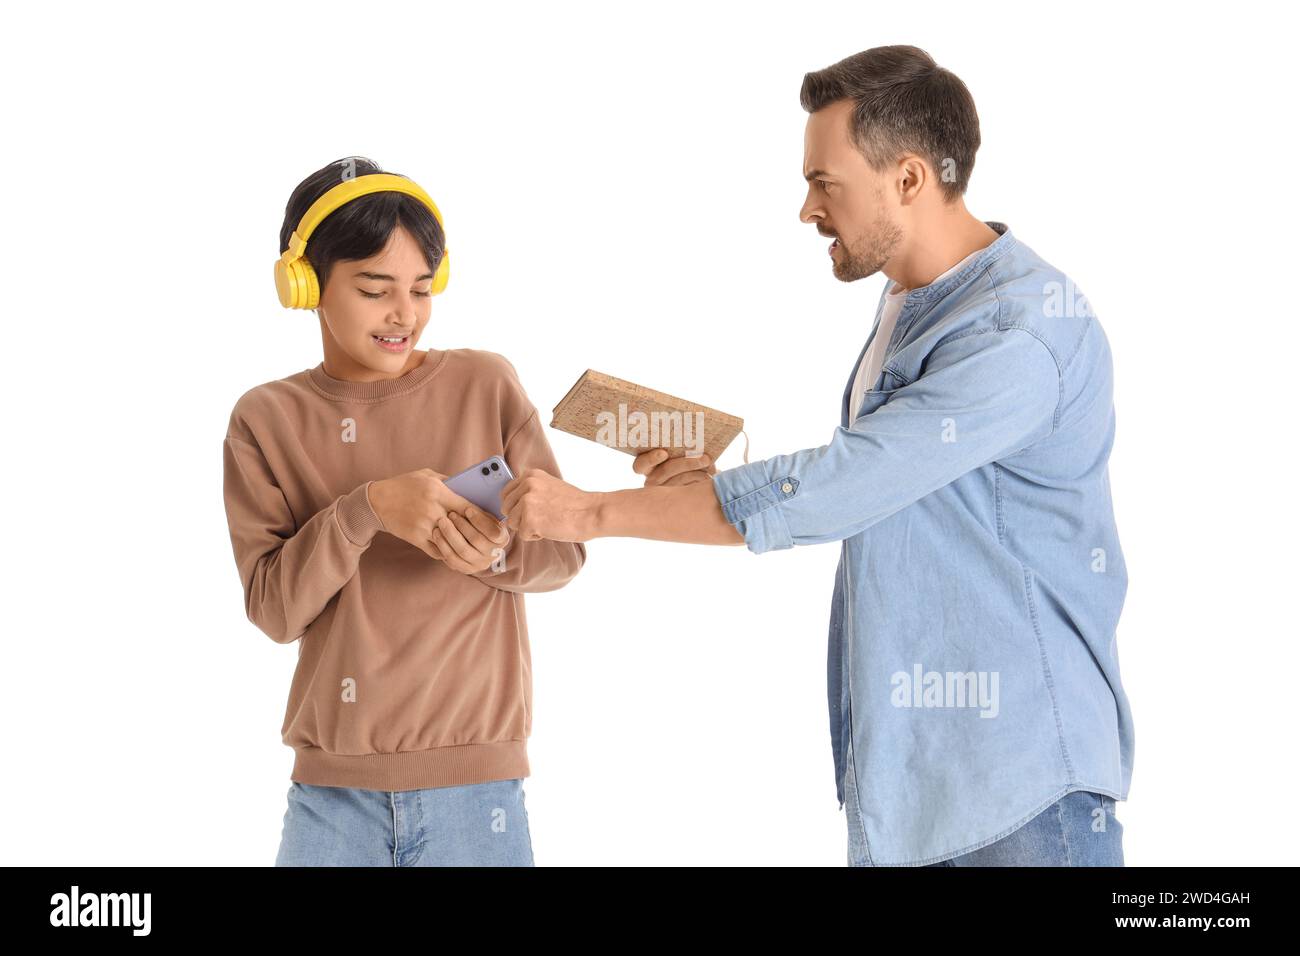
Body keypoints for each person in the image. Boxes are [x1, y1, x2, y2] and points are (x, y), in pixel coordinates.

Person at [496, 46, 1132, 867]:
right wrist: (711, 489)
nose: (806, 209)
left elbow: (838, 487)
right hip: (918, 795)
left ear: (908, 179)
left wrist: (588, 513)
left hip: (1020, 801)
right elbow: (889, 485)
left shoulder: (1018, 332)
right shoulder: (912, 303)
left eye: (824, 183)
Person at [222, 156, 585, 866]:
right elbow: (273, 609)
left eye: (421, 289)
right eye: (374, 289)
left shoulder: (485, 384)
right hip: (332, 801)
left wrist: (493, 553)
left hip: (478, 795)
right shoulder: (265, 419)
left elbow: (565, 554)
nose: (404, 315)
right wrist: (365, 512)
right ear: (305, 286)